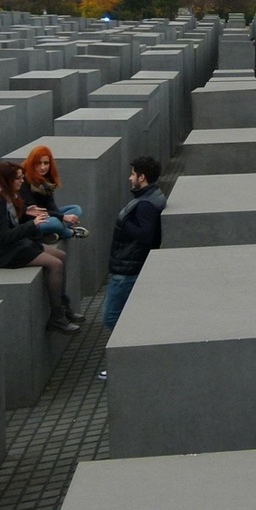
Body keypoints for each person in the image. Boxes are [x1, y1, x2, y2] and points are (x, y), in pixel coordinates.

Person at [0, 161, 83, 334]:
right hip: (1, 253)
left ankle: (64, 307)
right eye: (18, 178)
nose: (21, 181)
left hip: (15, 244)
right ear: (7, 180)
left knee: (61, 256)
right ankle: (57, 317)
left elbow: (13, 223)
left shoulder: (9, 196)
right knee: (55, 264)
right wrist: (32, 224)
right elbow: (3, 237)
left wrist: (27, 213)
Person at [98, 155, 166, 379]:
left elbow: (145, 236)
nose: (130, 178)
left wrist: (124, 222)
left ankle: (131, 359)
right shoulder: (151, 196)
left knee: (111, 316)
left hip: (128, 268)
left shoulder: (144, 204)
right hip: (130, 265)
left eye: (133, 174)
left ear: (142, 177)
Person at [21, 145, 89, 242]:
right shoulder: (24, 180)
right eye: (38, 163)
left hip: (46, 215)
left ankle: (51, 233)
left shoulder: (46, 179)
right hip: (31, 221)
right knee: (55, 222)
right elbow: (35, 212)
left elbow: (51, 205)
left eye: (46, 163)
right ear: (32, 163)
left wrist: (62, 217)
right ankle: (69, 233)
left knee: (76, 209)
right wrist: (62, 217)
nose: (43, 167)